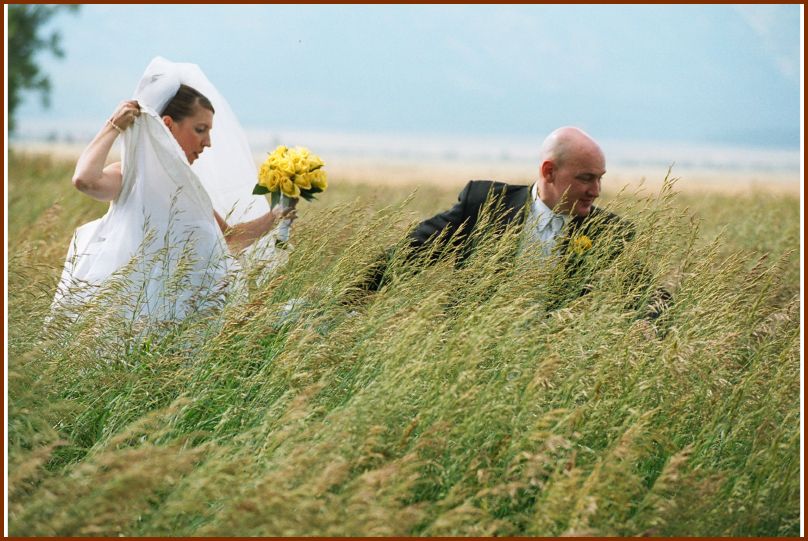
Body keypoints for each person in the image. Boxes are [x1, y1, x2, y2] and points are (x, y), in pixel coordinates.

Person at [52, 57, 294, 322]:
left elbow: (229, 240)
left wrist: (276, 215)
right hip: (128, 315)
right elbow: (84, 180)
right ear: (168, 125)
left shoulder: (188, 189)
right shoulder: (131, 175)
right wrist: (112, 126)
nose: (208, 142)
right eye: (200, 130)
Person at [363, 126, 668, 318]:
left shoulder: (608, 231)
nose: (596, 191)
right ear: (549, 171)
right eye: (586, 178)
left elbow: (650, 296)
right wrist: (350, 300)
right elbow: (410, 253)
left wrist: (648, 327)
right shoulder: (485, 204)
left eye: (600, 178)